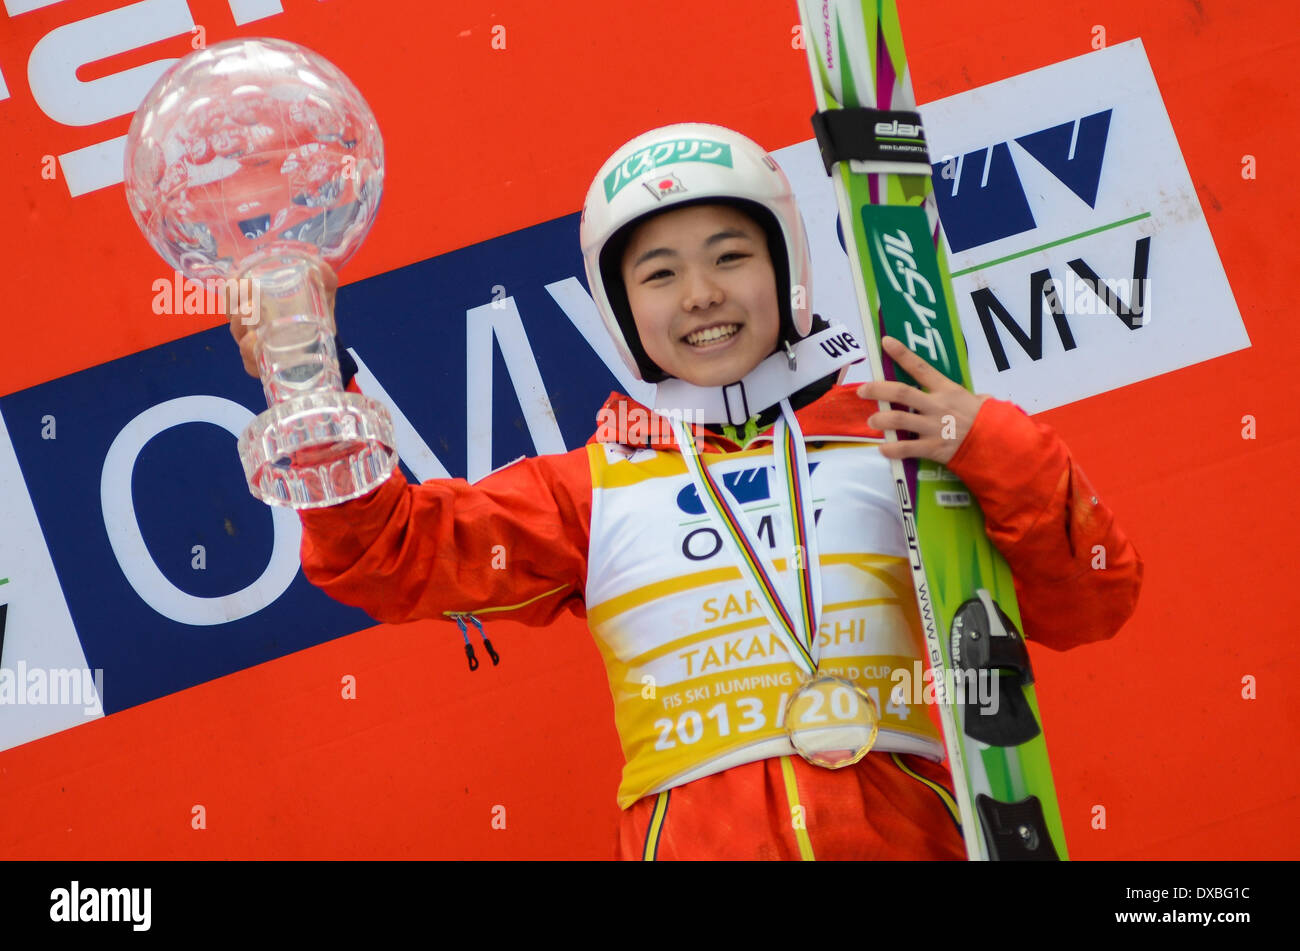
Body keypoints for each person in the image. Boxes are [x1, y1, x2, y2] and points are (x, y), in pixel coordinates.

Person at [228, 122, 1143, 860]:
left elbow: (1091, 599)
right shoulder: (591, 490)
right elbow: (393, 556)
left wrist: (989, 439)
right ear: (623, 310)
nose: (700, 294)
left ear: (787, 269)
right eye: (659, 273)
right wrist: (307, 401)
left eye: (729, 256)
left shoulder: (898, 432)